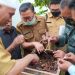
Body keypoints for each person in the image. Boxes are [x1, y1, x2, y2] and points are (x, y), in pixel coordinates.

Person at [0, 0, 39, 75]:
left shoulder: (14, 29)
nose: (10, 20)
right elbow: (8, 70)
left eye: (12, 16)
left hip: (19, 65)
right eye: (10, 14)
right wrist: (30, 56)